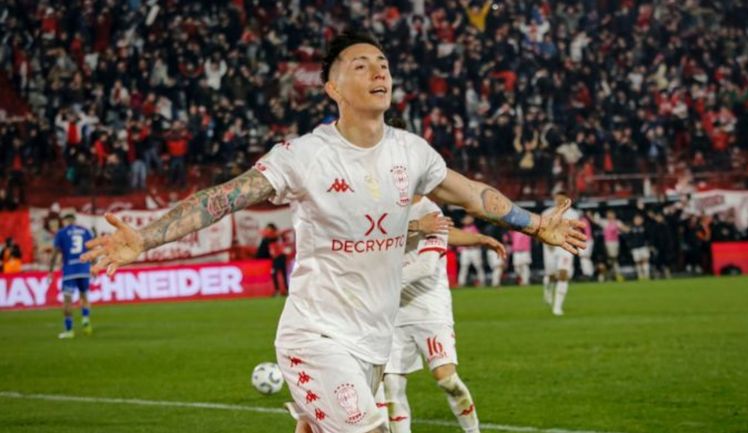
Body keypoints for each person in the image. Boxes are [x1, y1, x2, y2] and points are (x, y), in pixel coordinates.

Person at [82, 31, 586, 433]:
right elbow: (223, 198)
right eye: (360, 65)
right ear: (332, 88)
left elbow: (475, 195)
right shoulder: (305, 156)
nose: (378, 70)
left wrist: (537, 223)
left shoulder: (411, 153)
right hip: (315, 336)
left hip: (372, 340)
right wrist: (145, 238)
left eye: (383, 63)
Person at [382, 196, 506, 433]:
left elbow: (425, 267)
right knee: (392, 387)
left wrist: (380, 284)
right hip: (396, 311)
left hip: (430, 310)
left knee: (447, 380)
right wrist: (477, 238)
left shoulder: (430, 211)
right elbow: (376, 235)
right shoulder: (387, 206)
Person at [49, 212, 94, 339]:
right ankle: (86, 320)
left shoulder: (61, 233)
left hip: (70, 271)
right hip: (84, 268)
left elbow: (55, 253)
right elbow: (93, 249)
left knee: (67, 300)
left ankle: (69, 330)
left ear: (65, 221)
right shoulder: (85, 231)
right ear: (74, 220)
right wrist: (94, 266)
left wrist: (50, 270)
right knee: (84, 295)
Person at [542, 191, 579, 316]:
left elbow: (575, 230)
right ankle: (548, 290)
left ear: (566, 200)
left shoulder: (573, 214)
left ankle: (557, 307)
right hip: (550, 247)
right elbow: (541, 230)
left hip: (565, 247)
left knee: (563, 273)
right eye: (557, 199)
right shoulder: (546, 213)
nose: (559, 201)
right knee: (551, 275)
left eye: (561, 199)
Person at [456, 215, 485, 286]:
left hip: (474, 250)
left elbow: (478, 239)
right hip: (465, 250)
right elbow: (460, 241)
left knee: (478, 266)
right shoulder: (462, 230)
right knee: (464, 267)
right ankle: (461, 283)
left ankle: (482, 281)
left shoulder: (475, 229)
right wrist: (460, 249)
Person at [627, 214, 651, 280]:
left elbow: (649, 237)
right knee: (637, 262)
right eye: (636, 219)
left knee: (645, 260)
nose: (637, 221)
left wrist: (649, 245)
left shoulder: (645, 227)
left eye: (638, 219)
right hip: (635, 248)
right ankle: (640, 275)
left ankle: (647, 275)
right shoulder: (631, 228)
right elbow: (629, 238)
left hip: (643, 246)